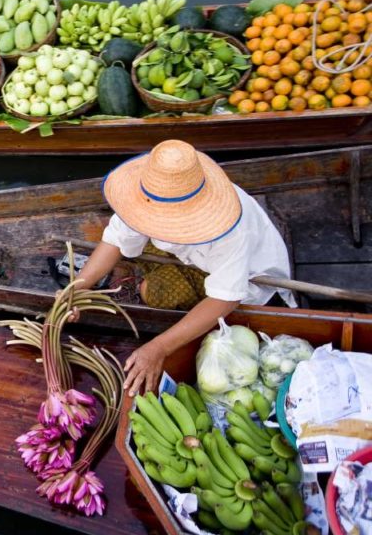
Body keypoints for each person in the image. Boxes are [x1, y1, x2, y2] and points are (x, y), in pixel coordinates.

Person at [71, 140, 295, 395]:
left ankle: (150, 282)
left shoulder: (230, 230)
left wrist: (159, 347)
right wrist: (78, 287)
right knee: (136, 253)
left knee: (155, 292)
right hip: (189, 255)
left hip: (247, 279)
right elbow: (115, 239)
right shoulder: (145, 195)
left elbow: (224, 299)